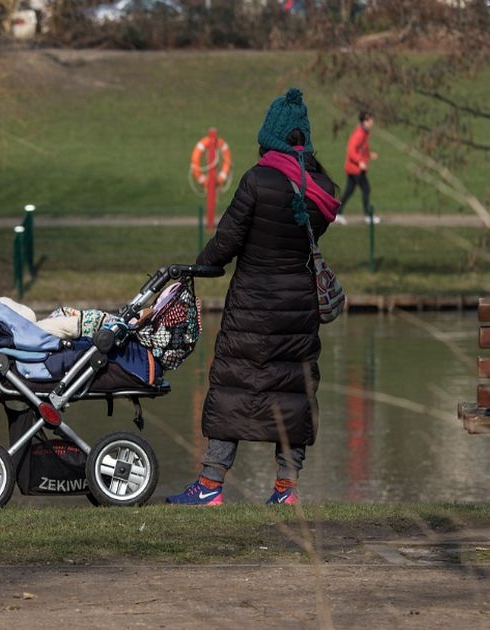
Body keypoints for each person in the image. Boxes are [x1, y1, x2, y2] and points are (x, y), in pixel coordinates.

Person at [166, 88, 340, 506]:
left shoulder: (257, 179)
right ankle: (286, 489)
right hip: (299, 307)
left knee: (234, 386)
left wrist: (199, 264)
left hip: (252, 305)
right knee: (293, 393)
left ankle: (210, 484)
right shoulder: (321, 188)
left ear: (271, 136)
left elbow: (227, 240)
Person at [334, 111, 378, 225]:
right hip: (355, 169)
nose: (372, 121)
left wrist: (369, 154)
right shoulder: (359, 133)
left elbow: (364, 146)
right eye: (369, 120)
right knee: (366, 189)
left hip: (354, 168)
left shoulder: (364, 132)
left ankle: (337, 214)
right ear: (364, 121)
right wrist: (360, 162)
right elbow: (351, 150)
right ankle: (368, 216)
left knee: (349, 191)